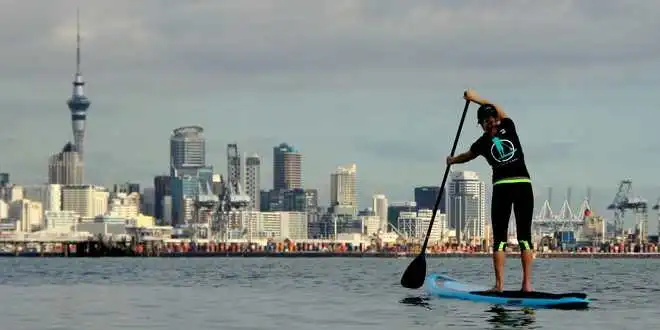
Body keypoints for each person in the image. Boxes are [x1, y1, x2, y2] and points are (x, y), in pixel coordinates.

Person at [446, 89, 534, 292]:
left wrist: (474, 98)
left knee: (524, 238)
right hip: (507, 187)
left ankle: (526, 285)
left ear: (495, 119)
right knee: (501, 240)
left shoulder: (508, 126)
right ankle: (500, 286)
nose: (490, 122)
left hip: (517, 185)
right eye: (486, 121)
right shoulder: (482, 142)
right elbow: (467, 156)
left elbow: (495, 106)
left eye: (491, 118)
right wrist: (452, 161)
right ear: (482, 125)